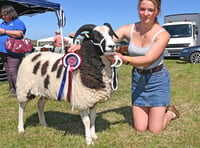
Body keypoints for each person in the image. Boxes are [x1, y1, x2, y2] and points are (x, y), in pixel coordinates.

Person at [69, 0, 180, 134]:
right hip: (138, 79)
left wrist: (123, 59)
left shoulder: (163, 35)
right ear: (138, 9)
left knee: (155, 129)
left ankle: (170, 113)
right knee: (140, 128)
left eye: (150, 10)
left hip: (157, 80)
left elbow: (148, 60)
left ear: (157, 11)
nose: (145, 14)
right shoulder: (128, 29)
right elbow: (104, 41)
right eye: (142, 9)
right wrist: (82, 46)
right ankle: (156, 110)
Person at [0, 5, 26, 97]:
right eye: (2, 15)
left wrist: (4, 31)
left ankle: (20, 90)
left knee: (13, 71)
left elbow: (19, 33)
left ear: (11, 13)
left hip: (14, 52)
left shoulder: (17, 22)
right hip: (3, 52)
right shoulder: (2, 24)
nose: (3, 16)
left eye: (5, 14)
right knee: (8, 71)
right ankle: (12, 89)